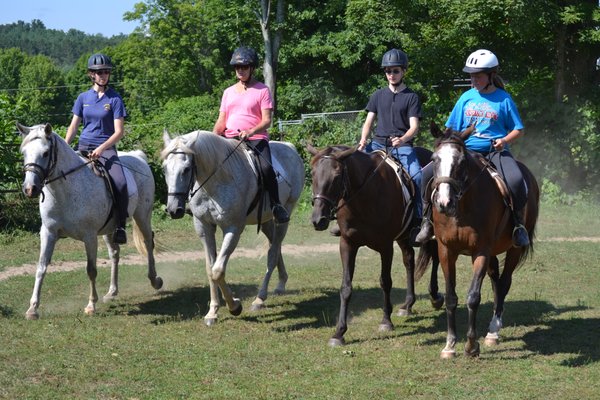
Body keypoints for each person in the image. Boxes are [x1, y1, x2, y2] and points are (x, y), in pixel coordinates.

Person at [414, 49, 530, 247]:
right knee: (425, 175)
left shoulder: (503, 99)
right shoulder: (466, 97)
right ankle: (426, 222)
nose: (473, 79)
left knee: (516, 180)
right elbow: (452, 128)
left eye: (478, 75)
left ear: (491, 75)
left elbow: (518, 129)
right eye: (471, 75)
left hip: (495, 152)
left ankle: (518, 225)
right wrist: (447, 141)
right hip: (466, 152)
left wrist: (504, 141)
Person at [212, 46, 289, 224]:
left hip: (256, 139)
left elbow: (267, 120)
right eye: (237, 67)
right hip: (229, 139)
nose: (240, 70)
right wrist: (213, 136)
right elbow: (221, 120)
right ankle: (202, 203)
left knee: (266, 168)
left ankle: (277, 205)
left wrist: (251, 131)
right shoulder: (228, 92)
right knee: (207, 163)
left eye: (244, 67)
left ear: (252, 68)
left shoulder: (262, 91)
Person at [65, 53, 129, 244]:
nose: (103, 75)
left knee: (121, 183)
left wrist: (101, 149)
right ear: (91, 74)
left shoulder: (115, 99)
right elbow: (74, 126)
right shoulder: (83, 98)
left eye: (106, 71)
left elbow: (119, 132)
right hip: (83, 147)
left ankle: (120, 226)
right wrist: (66, 146)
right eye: (99, 72)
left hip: (106, 149)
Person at [357, 48, 423, 227]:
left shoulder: (411, 97)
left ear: (403, 71)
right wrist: (363, 140)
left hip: (402, 147)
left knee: (417, 176)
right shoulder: (378, 95)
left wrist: (403, 139)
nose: (391, 74)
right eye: (388, 71)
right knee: (350, 169)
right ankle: (348, 217)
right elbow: (368, 122)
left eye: (395, 71)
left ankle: (418, 218)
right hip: (377, 144)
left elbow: (414, 127)